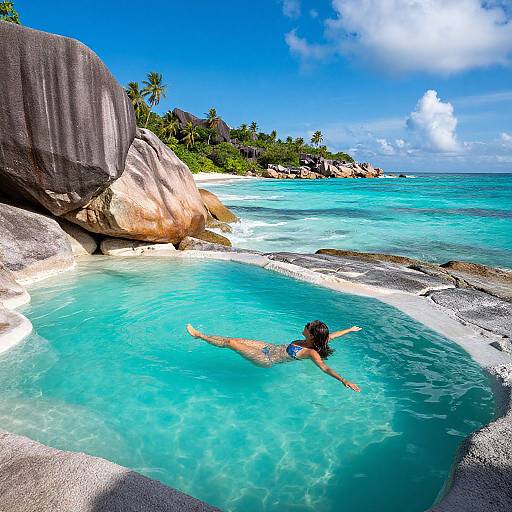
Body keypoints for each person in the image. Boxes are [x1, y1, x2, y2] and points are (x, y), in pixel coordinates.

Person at [186, 320, 361, 392]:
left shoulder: (311, 352)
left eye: (308, 326)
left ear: (312, 335)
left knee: (231, 344)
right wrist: (351, 330)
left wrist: (343, 380)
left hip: (266, 359)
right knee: (233, 339)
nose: (305, 326)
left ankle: (199, 336)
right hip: (268, 347)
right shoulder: (319, 340)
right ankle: (202, 335)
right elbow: (335, 334)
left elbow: (324, 367)